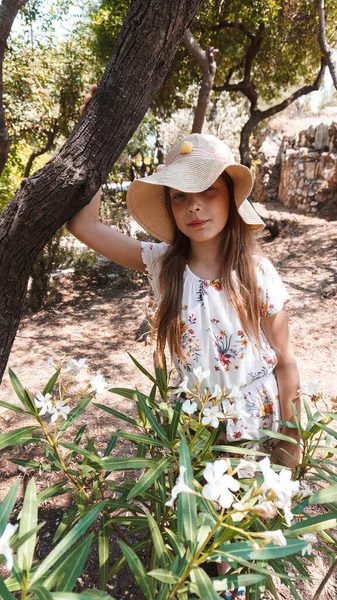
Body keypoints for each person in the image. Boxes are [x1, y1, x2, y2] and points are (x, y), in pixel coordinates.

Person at [68, 87, 301, 598]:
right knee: (206, 534)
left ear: (230, 197)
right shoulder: (161, 265)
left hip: (256, 420)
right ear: (170, 208)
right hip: (195, 425)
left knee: (252, 531)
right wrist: (94, 132)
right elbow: (82, 223)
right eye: (179, 196)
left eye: (208, 191)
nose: (194, 207)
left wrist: (291, 436)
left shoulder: (259, 274)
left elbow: (285, 362)